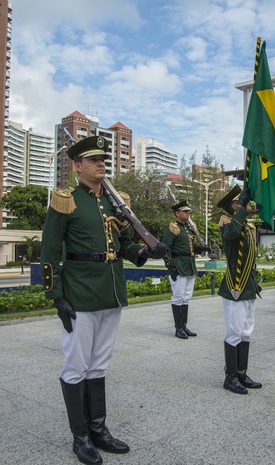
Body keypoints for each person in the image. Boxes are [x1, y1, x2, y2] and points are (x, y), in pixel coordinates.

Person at [40, 136, 167, 464]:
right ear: (77, 165)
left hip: (110, 290)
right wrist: (56, 296)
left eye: (103, 159)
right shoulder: (64, 200)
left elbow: (124, 244)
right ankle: (80, 437)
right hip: (80, 291)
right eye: (93, 160)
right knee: (76, 364)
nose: (101, 164)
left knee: (99, 364)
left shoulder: (115, 201)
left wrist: (144, 250)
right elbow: (50, 251)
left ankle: (99, 429)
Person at [217, 185, 262, 395]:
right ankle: (231, 377)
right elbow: (233, 233)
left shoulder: (245, 224)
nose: (243, 204)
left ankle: (242, 373)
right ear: (231, 206)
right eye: (239, 202)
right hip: (236, 285)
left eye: (241, 201)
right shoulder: (228, 223)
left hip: (248, 286)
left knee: (246, 332)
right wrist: (243, 209)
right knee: (234, 332)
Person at [163, 200, 202, 339]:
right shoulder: (173, 228)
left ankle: (184, 326)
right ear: (177, 213)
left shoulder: (189, 228)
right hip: (178, 266)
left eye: (189, 211)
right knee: (178, 297)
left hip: (189, 265)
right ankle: (178, 328)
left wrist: (201, 248)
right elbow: (166, 248)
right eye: (185, 211)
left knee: (186, 297)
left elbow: (188, 248)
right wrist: (170, 266)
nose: (188, 213)